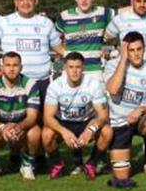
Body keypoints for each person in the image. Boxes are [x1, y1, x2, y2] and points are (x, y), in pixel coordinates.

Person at [103, 32, 146, 188]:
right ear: (125, 50)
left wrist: (141, 109)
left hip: (140, 120)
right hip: (118, 123)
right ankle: (113, 158)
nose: (136, 53)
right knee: (122, 178)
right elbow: (113, 89)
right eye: (131, 50)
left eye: (139, 49)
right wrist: (123, 60)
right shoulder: (113, 65)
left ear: (144, 48)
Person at [42, 52, 110, 180]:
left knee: (107, 131)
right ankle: (57, 163)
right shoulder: (55, 86)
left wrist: (90, 130)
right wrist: (64, 132)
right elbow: (48, 117)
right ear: (65, 69)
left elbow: (103, 115)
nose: (74, 71)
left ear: (83, 68)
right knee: (46, 134)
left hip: (86, 122)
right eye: (71, 67)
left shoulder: (93, 84)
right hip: (64, 122)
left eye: (78, 67)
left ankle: (92, 163)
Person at [0, 52, 43, 181]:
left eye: (15, 65)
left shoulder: (31, 84)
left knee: (35, 132)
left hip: (22, 124)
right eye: (7, 65)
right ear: (1, 67)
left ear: (21, 67)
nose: (11, 68)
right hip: (2, 125)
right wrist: (3, 127)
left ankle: (27, 164)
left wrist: (19, 126)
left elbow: (32, 117)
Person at [55, 0, 113, 74]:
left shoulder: (102, 13)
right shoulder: (64, 16)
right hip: (71, 71)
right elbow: (53, 40)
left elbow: (122, 15)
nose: (84, 0)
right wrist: (66, 54)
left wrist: (107, 36)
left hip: (94, 70)